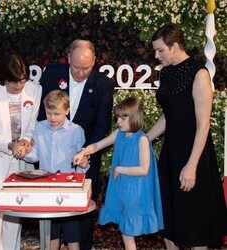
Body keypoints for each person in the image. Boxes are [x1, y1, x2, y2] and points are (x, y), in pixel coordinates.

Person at [147, 23, 227, 249]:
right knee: (168, 218)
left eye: (160, 50)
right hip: (171, 152)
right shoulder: (166, 73)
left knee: (194, 223)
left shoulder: (198, 73)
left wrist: (191, 165)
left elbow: (203, 125)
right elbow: (169, 116)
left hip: (194, 154)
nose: (156, 55)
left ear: (174, 46)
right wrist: (145, 138)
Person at [38, 39, 114, 249]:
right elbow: (41, 116)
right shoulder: (52, 74)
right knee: (51, 218)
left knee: (81, 218)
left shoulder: (104, 84)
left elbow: (102, 126)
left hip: (86, 155)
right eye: (76, 67)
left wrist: (85, 152)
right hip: (52, 162)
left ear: (95, 61)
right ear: (68, 58)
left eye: (86, 68)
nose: (81, 73)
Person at [73, 97, 164, 250]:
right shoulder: (120, 134)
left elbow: (144, 169)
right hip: (122, 189)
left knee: (127, 234)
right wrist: (83, 152)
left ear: (134, 117)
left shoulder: (141, 139)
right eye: (118, 118)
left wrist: (119, 169)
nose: (119, 122)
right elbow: (98, 145)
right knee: (126, 234)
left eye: (123, 118)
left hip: (135, 192)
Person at [0, 54, 42, 250]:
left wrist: (25, 140)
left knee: (14, 214)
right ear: (3, 79)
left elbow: (32, 124)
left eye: (23, 80)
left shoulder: (35, 89)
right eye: (14, 82)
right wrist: (10, 145)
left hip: (20, 161)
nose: (19, 86)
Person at [17, 90, 88, 250]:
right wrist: (26, 152)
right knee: (50, 233)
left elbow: (82, 157)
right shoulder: (40, 128)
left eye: (57, 114)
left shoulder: (76, 131)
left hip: (69, 188)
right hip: (46, 187)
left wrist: (83, 164)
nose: (52, 118)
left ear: (67, 111)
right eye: (49, 113)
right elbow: (35, 157)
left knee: (72, 234)